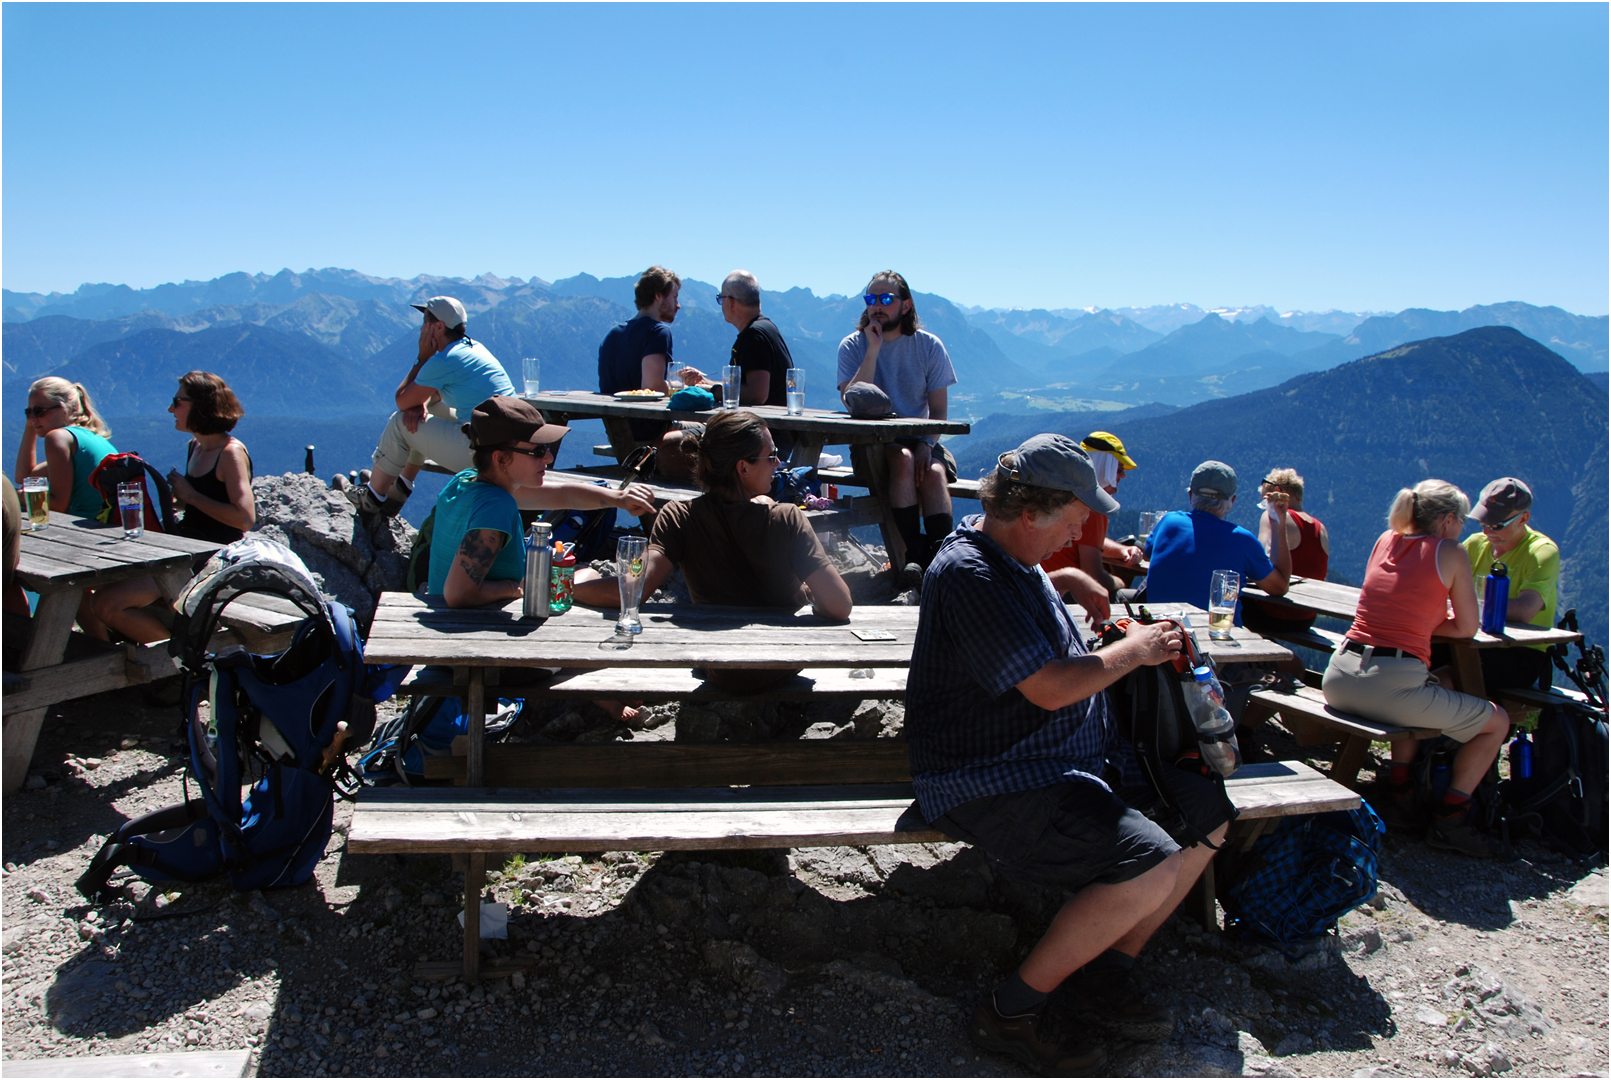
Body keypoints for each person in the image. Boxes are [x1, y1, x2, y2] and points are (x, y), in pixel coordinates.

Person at [907, 434, 1228, 1072]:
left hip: (1057, 761)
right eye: (1073, 522)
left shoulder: (1010, 555)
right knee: (1151, 862)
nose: (1080, 531)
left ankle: (1103, 969)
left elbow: (1022, 602)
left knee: (1207, 813)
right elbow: (1051, 688)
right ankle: (1010, 1011)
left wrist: (1064, 575)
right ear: (1031, 513)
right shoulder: (970, 574)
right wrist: (1134, 651)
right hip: (991, 777)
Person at [572, 410, 852, 691]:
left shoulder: (679, 517)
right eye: (771, 456)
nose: (778, 463)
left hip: (719, 667)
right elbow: (839, 607)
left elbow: (635, 589)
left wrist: (572, 584)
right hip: (779, 664)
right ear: (743, 468)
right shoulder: (785, 518)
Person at [1321, 480, 1508, 858]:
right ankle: (1451, 818)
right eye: (1461, 522)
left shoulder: (1384, 540)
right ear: (1448, 520)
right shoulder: (1450, 551)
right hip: (1391, 685)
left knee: (1423, 691)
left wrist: (1415, 618)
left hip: (1339, 676)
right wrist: (1426, 621)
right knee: (1497, 722)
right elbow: (1466, 628)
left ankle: (1402, 792)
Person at [428, 397, 655, 607]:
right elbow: (458, 594)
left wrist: (619, 498)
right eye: (537, 451)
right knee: (587, 578)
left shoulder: (466, 481)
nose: (549, 457)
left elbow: (562, 495)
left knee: (585, 576)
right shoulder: (497, 505)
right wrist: (516, 589)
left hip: (444, 613)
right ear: (501, 458)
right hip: (476, 623)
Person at [91, 372, 256, 643]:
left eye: (177, 402)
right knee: (104, 590)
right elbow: (198, 505)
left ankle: (179, 663)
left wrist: (190, 496)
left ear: (201, 405)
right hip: (184, 548)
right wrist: (178, 499)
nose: (171, 409)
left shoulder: (230, 453)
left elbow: (245, 519)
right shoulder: (196, 446)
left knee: (107, 604)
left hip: (209, 559)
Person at [836, 271, 957, 576]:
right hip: (871, 447)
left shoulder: (929, 346)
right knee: (902, 460)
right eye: (871, 299)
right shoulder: (853, 346)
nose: (877, 306)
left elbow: (939, 411)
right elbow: (851, 399)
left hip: (922, 439)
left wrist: (927, 444)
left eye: (886, 299)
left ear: (905, 306)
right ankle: (915, 553)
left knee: (933, 470)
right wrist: (873, 349)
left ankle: (938, 556)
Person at [348, 296, 515, 519]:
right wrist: (421, 405)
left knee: (400, 422)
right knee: (422, 413)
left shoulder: (444, 360)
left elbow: (401, 400)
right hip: (506, 448)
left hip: (480, 453)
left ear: (437, 327)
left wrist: (422, 357)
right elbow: (431, 395)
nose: (422, 328)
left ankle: (372, 497)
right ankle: (399, 488)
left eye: (425, 321)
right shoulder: (473, 349)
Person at [1435, 477, 1559, 696]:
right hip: (1470, 641)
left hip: (1519, 654)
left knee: (1445, 678)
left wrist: (1464, 607)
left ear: (1524, 519)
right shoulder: (1474, 544)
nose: (1486, 531)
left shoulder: (1541, 551)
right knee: (1409, 659)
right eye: (1483, 522)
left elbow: (1525, 611)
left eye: (1496, 525)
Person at [1144, 460, 1290, 623]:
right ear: (1232, 501)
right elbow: (1280, 586)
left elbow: (1148, 553)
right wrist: (1278, 521)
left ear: (1191, 495)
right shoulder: (1242, 539)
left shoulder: (1168, 522)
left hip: (1161, 633)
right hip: (1216, 637)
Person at [1040, 432, 1143, 597]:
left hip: (1044, 586)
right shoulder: (1091, 507)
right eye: (1119, 469)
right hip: (1068, 595)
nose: (1123, 475)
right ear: (1105, 468)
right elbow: (1094, 577)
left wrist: (1121, 550)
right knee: (1137, 597)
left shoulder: (1067, 494)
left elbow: (1086, 540)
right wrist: (1120, 581)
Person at [1242, 468, 1331, 634]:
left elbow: (1260, 564)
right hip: (1306, 618)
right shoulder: (1321, 529)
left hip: (1272, 612)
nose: (1265, 508)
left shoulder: (1275, 516)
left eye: (1264, 503)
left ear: (1277, 492)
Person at [14, 377, 117, 519]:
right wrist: (30, 427)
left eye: (39, 411)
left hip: (87, 526)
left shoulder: (58, 437)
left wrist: (12, 495)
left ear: (65, 408)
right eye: (28, 412)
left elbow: (57, 504)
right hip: (105, 524)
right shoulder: (87, 437)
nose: (32, 418)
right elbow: (26, 478)